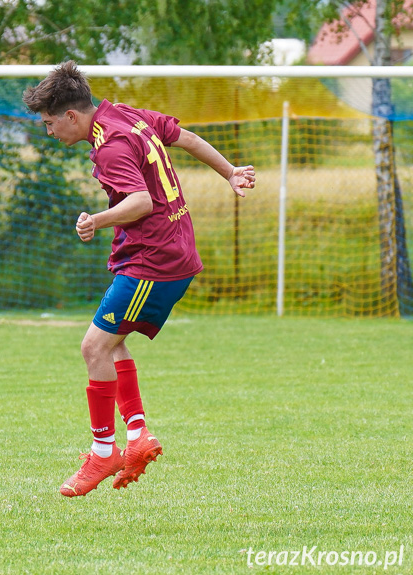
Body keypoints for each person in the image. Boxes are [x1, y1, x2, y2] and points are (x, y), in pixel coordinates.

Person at [22, 62, 256, 497]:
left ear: (71, 116)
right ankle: (136, 437)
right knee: (112, 342)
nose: (49, 132)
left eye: (50, 123)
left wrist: (98, 220)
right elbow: (184, 137)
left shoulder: (109, 145)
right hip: (170, 251)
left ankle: (103, 451)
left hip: (155, 260)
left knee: (93, 346)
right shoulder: (124, 114)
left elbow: (140, 202)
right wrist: (229, 171)